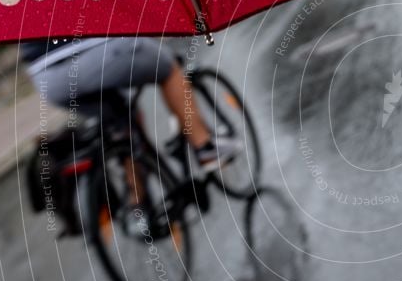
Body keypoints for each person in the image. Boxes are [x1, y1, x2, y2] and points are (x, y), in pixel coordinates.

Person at [22, 37, 240, 230]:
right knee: (168, 69)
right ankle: (205, 147)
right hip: (96, 53)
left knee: (120, 117)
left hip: (48, 79)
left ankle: (139, 204)